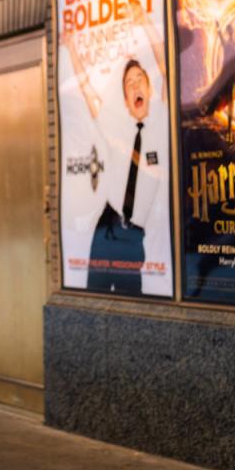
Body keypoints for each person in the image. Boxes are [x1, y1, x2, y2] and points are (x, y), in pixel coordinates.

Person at [86, 60, 165, 295]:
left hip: (134, 234)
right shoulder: (119, 131)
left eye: (140, 79)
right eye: (129, 83)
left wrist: (146, 25)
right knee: (95, 297)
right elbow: (92, 99)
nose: (135, 85)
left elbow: (166, 68)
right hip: (108, 226)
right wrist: (70, 50)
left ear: (150, 90)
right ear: (126, 103)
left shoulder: (162, 126)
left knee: (130, 299)